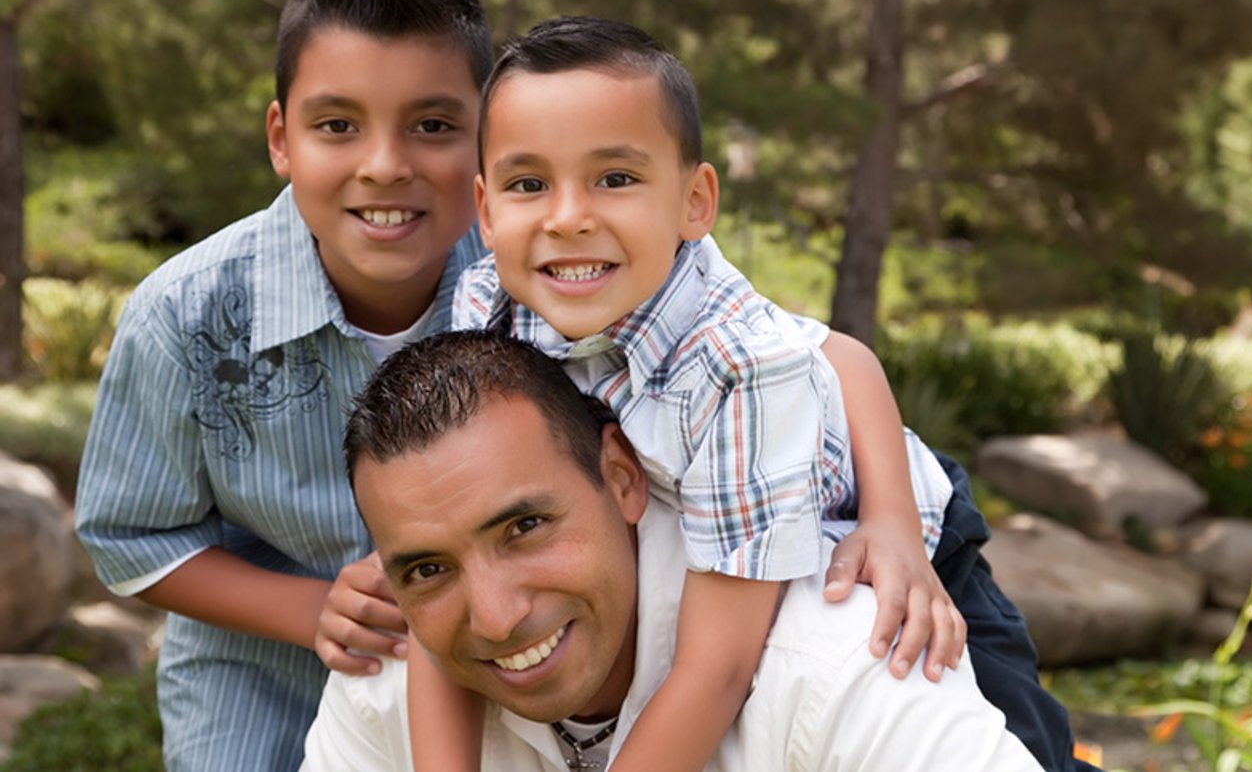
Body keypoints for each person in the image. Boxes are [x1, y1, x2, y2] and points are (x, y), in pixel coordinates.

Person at [442, 16, 1096, 772]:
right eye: (530, 185)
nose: (568, 217)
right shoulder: (489, 303)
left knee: (1020, 748)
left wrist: (890, 525)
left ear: (696, 201)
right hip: (737, 511)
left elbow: (717, 668)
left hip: (905, 534)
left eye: (615, 178)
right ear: (486, 211)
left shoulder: (733, 363)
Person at [72, 0, 494, 770]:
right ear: (282, 138)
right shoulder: (185, 313)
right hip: (261, 683)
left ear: (487, 137)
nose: (385, 166)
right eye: (338, 126)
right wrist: (310, 609)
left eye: (432, 127)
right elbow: (130, 536)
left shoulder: (529, 298)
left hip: (489, 669)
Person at [302, 329, 1046, 772]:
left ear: (623, 479)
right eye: (428, 568)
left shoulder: (838, 659)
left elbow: (838, 354)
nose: (495, 619)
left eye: (525, 527)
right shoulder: (386, 672)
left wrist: (890, 520)